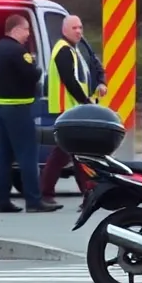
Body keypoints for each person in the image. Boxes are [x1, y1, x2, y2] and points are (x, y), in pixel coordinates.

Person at [0, 14, 61, 213]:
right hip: (18, 108)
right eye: (26, 30)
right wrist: (35, 67)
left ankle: (1, 200)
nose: (28, 35)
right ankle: (34, 200)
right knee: (27, 155)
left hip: (0, 106)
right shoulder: (17, 50)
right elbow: (32, 73)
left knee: (3, 157)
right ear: (16, 29)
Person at [39, 15, 97, 208]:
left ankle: (88, 194)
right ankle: (46, 193)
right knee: (65, 153)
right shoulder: (64, 50)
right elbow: (70, 81)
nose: (79, 31)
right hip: (67, 109)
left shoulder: (72, 49)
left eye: (80, 27)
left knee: (74, 153)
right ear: (64, 30)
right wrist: (85, 101)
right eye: (74, 28)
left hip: (72, 109)